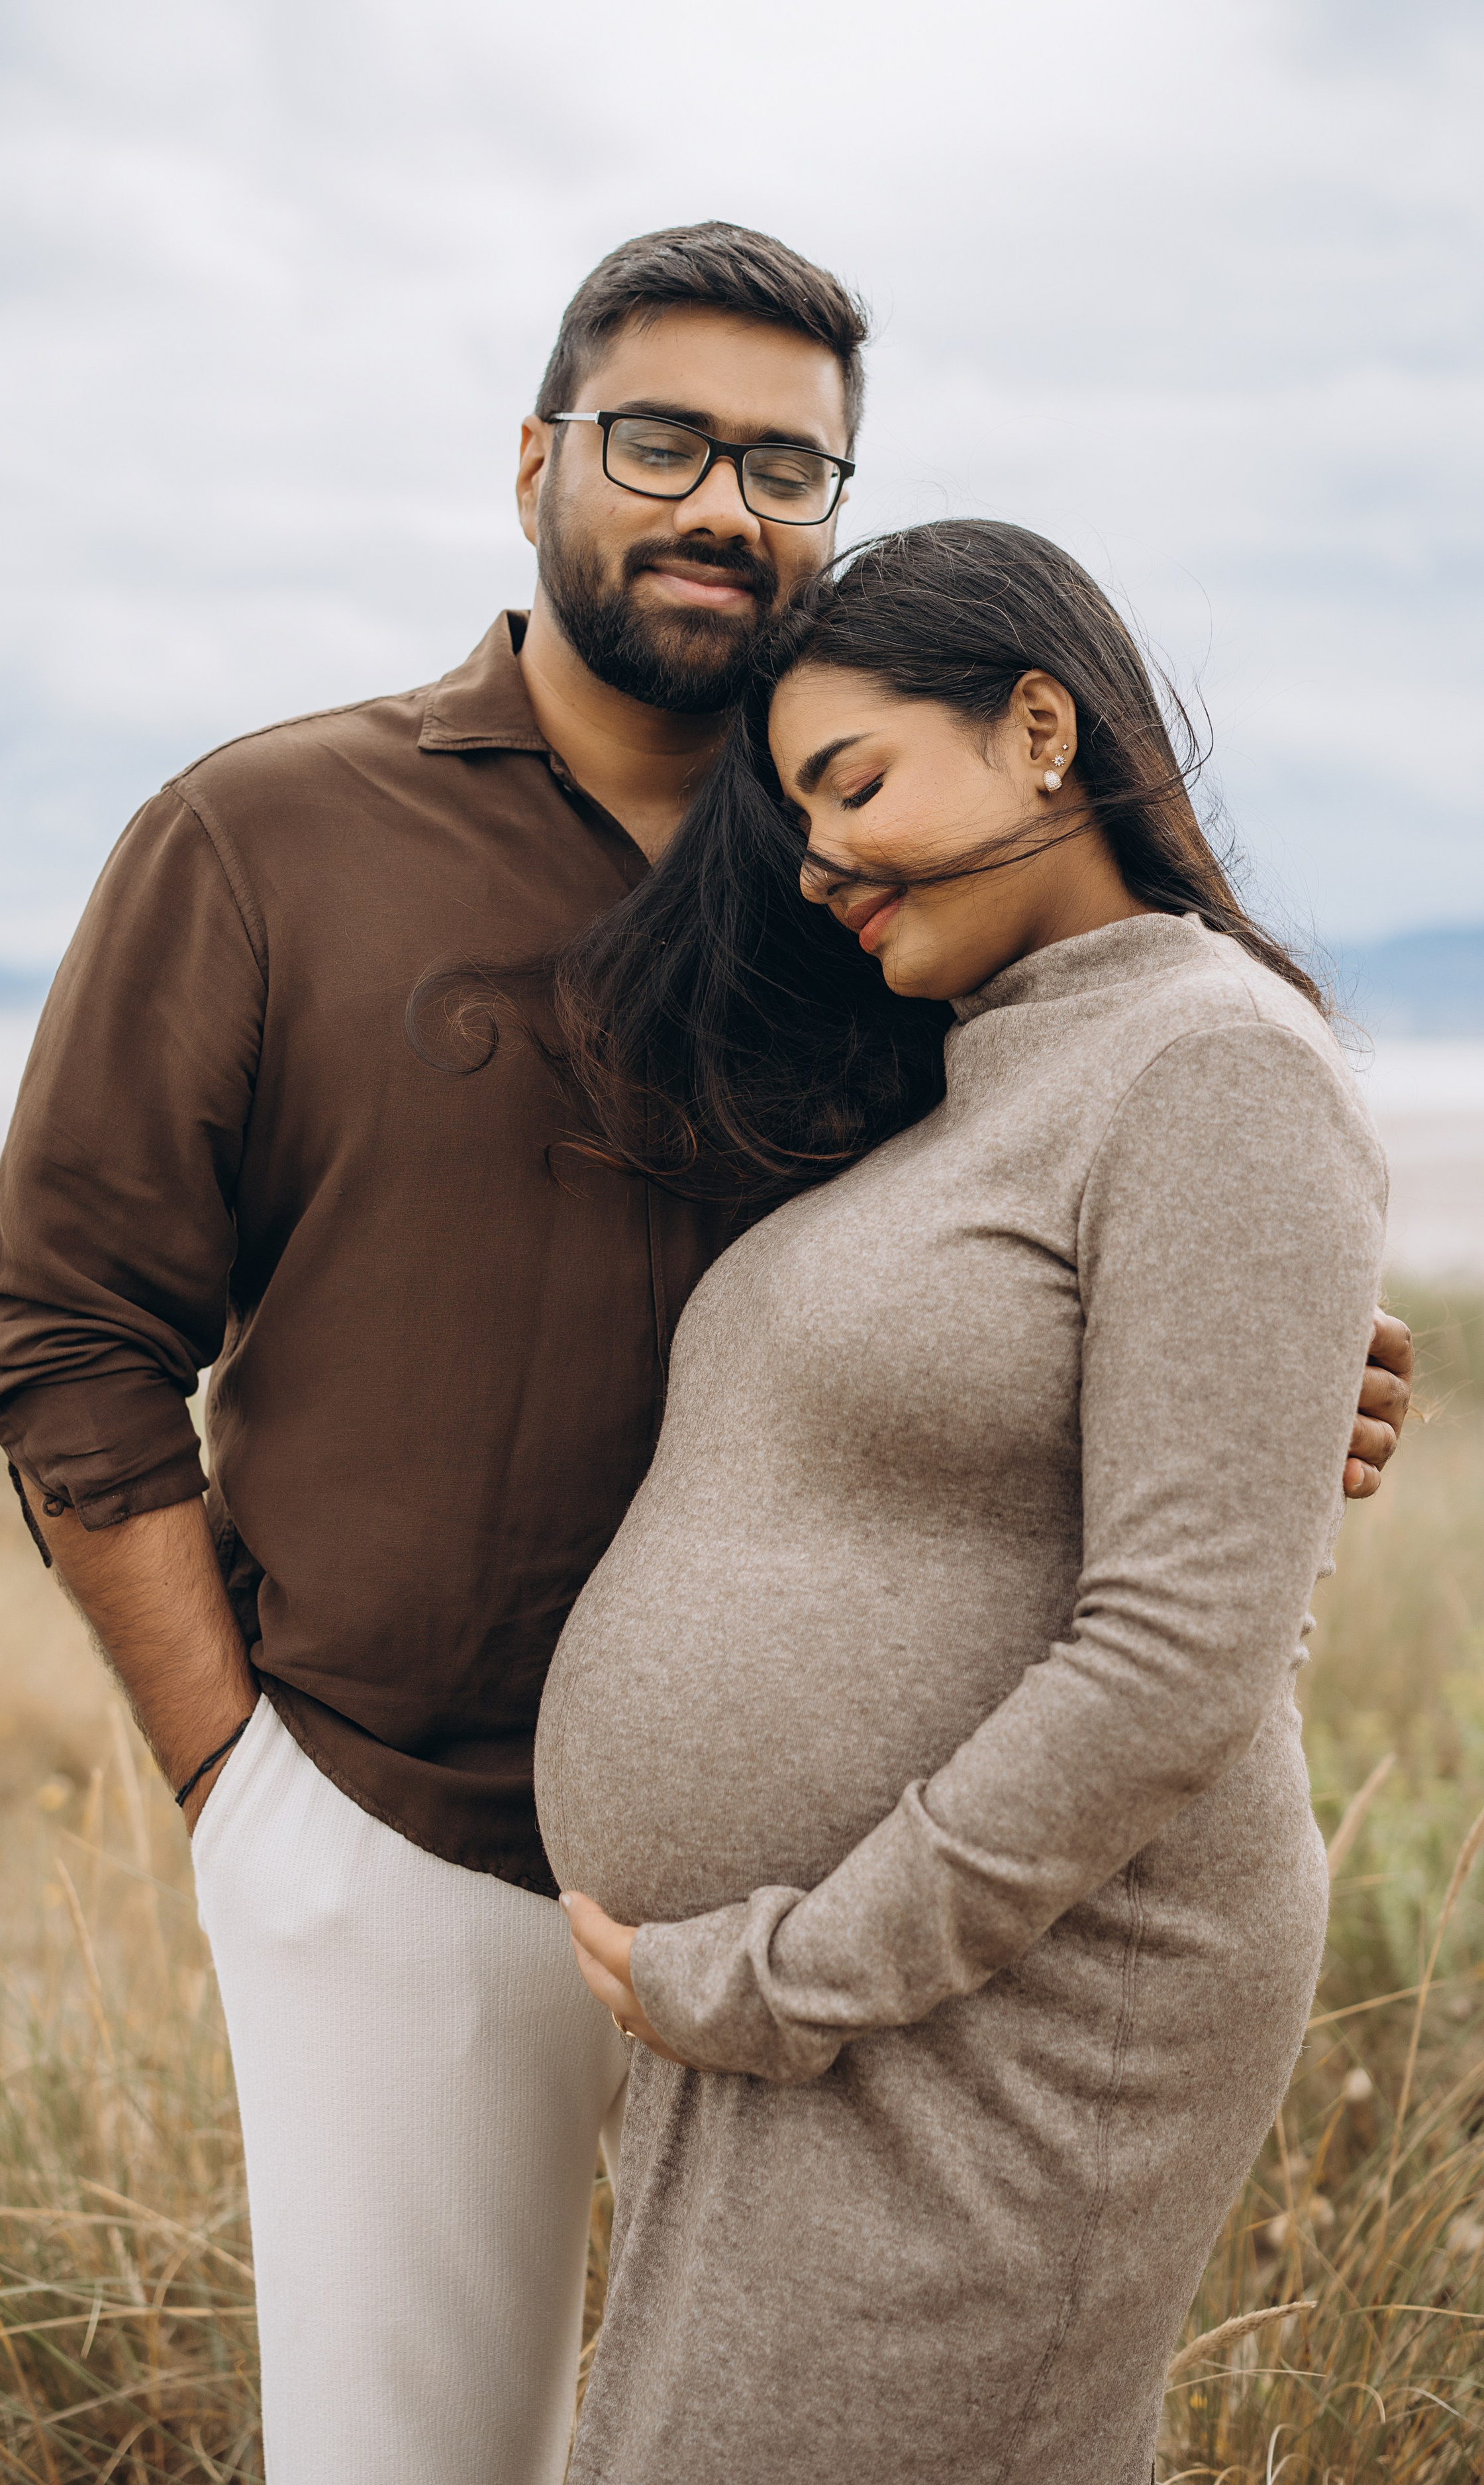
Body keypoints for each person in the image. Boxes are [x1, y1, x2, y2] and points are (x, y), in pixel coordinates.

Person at [0, 223, 1408, 2485]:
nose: (725, 504)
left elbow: (1091, 1233)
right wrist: (233, 1776)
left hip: (863, 1919)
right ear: (538, 461)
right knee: (415, 2457)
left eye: (787, 465)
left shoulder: (867, 889)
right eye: (662, 442)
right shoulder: (268, 833)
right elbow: (68, 1333)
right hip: (395, 1818)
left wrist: (1296, 1368)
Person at [535, 520, 1391, 2485]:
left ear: (1039, 730)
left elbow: (1180, 1654)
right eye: (797, 818)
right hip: (854, 2005)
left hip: (1000, 2017)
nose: (821, 861)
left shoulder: (1209, 1061)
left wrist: (785, 1978)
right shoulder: (998, 1072)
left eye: (854, 786)